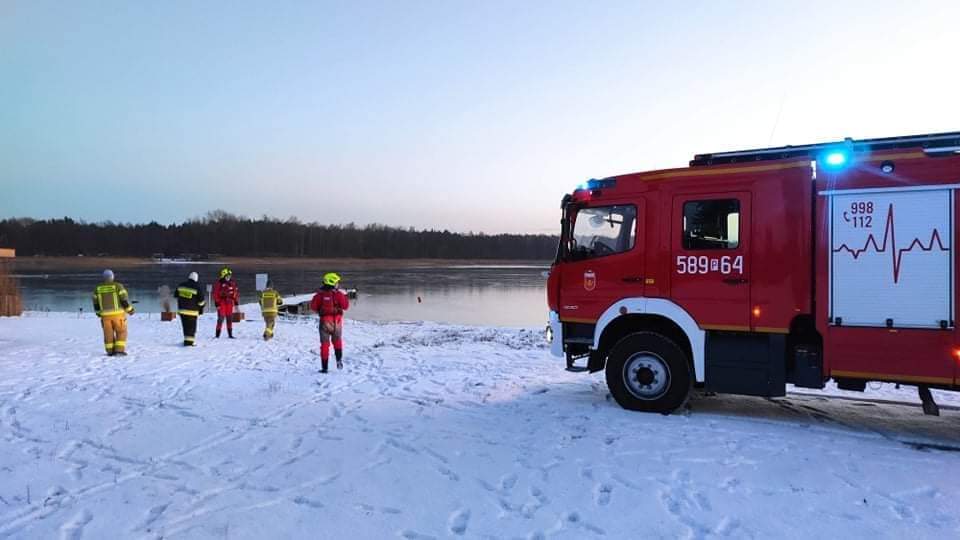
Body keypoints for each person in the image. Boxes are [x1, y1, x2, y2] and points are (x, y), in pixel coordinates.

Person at [310, 272, 349, 373]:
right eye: (337, 283)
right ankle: (339, 360)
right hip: (337, 322)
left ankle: (324, 368)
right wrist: (344, 297)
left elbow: (313, 307)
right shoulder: (339, 294)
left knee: (324, 345)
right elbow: (345, 306)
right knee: (337, 341)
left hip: (324, 322)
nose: (338, 284)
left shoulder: (319, 295)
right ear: (332, 283)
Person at [92, 269, 135, 356]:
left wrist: (98, 313)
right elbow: (124, 300)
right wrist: (130, 310)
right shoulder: (118, 286)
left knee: (108, 333)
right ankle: (119, 350)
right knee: (121, 332)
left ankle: (110, 351)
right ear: (112, 277)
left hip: (105, 316)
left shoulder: (97, 288)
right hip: (118, 315)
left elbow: (95, 303)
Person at [176, 271, 206, 346]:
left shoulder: (181, 285)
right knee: (191, 328)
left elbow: (176, 295)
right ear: (196, 279)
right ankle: (189, 343)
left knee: (185, 327)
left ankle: (186, 341)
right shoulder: (197, 287)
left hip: (182, 311)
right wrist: (201, 309)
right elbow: (201, 301)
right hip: (192, 312)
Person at [212, 266, 240, 338]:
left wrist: (236, 302)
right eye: (227, 276)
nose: (228, 277)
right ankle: (217, 335)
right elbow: (215, 294)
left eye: (229, 276)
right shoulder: (219, 283)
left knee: (229, 319)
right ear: (223, 276)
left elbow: (235, 293)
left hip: (230, 303)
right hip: (222, 303)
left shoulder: (232, 283)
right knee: (220, 319)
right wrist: (217, 303)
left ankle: (230, 334)